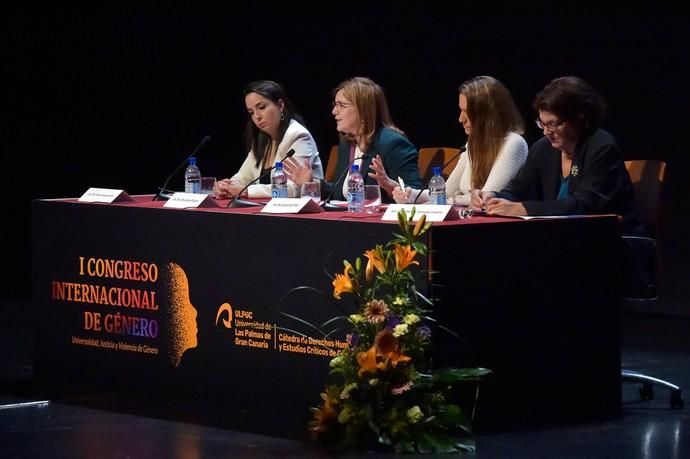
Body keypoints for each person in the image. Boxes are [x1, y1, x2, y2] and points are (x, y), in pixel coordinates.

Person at [475, 76, 645, 236]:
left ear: (579, 119)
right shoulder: (543, 148)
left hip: (613, 240)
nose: (547, 132)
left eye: (553, 124)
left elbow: (584, 205)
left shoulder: (602, 148)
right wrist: (493, 197)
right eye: (542, 123)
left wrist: (525, 209)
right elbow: (518, 190)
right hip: (564, 238)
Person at [283, 76, 422, 202]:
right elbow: (341, 193)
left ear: (363, 111)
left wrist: (390, 186)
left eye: (341, 105)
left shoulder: (392, 143)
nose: (334, 112)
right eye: (335, 105)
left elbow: (414, 194)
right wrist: (311, 183)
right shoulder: (347, 144)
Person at [392, 75, 528, 205]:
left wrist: (456, 198)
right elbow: (445, 193)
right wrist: (412, 195)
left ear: (486, 115)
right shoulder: (472, 144)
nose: (461, 119)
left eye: (467, 111)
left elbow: (485, 199)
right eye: (461, 110)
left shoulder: (513, 143)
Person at [215, 80, 323, 199]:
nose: (257, 116)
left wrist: (245, 191)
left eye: (261, 107)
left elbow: (294, 189)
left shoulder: (298, 136)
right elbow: (243, 177)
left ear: (280, 105)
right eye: (251, 112)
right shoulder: (262, 140)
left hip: (299, 213)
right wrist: (227, 186)